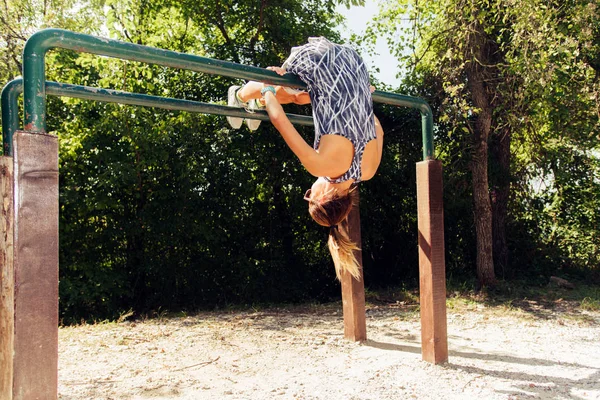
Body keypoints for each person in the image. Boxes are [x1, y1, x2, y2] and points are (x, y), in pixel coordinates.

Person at [227, 37, 384, 281]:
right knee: (281, 88)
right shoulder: (321, 166)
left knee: (298, 97)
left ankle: (255, 100)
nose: (308, 191)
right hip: (319, 60)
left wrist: (361, 94)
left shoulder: (370, 169)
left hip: (354, 66)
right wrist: (268, 88)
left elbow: (377, 126)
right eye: (309, 195)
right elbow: (280, 120)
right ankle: (240, 95)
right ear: (322, 197)